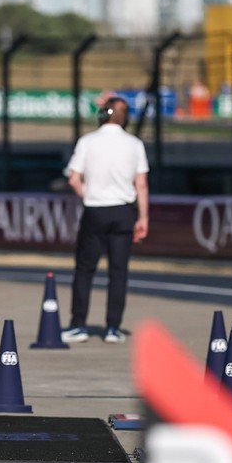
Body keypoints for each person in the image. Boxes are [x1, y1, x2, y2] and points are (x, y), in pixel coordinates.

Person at [61, 96, 149, 344]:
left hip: (95, 210)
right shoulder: (134, 144)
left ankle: (78, 324)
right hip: (123, 211)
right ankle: (113, 327)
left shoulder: (88, 142)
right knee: (118, 272)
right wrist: (143, 217)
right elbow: (141, 184)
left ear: (103, 115)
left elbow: (73, 178)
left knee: (85, 270)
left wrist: (88, 195)